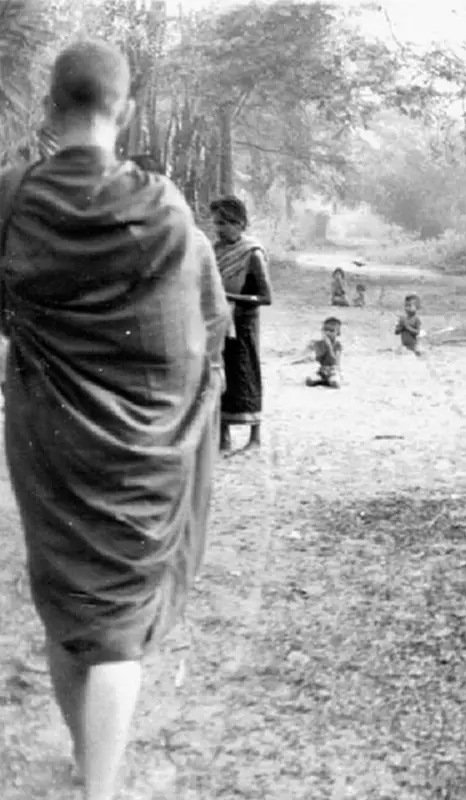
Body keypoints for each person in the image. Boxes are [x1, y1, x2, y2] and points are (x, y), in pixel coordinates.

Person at [0, 39, 229, 800]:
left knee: (68, 601)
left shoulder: (11, 197)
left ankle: (85, 760)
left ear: (47, 108)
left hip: (49, 436)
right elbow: (206, 320)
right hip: (143, 439)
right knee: (120, 609)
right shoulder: (165, 208)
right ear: (125, 111)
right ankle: (99, 788)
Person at [211, 195, 273, 453]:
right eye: (217, 223)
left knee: (246, 373)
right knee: (222, 374)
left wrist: (230, 297)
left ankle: (254, 436)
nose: (220, 229)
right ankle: (223, 436)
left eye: (225, 223)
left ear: (240, 223)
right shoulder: (215, 251)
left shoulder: (252, 254)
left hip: (244, 323)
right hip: (220, 322)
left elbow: (266, 297)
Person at [302, 317, 343, 389]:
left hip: (333, 371)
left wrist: (329, 346)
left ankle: (328, 380)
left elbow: (335, 361)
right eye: (325, 330)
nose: (327, 333)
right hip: (322, 370)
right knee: (309, 381)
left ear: (338, 333)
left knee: (335, 383)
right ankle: (323, 380)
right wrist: (312, 347)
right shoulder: (319, 343)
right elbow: (317, 359)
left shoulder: (338, 345)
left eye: (331, 331)